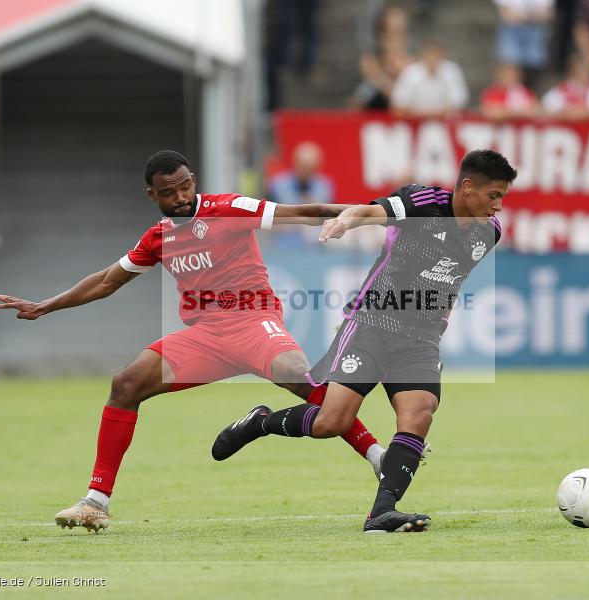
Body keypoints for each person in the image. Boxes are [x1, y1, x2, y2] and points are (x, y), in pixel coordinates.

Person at [0, 151, 386, 532]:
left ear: (193, 180)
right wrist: (46, 305)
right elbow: (107, 280)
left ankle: (376, 455)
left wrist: (380, 214)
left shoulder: (228, 209)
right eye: (168, 192)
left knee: (296, 374)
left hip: (253, 321)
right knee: (126, 384)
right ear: (152, 195)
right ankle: (96, 502)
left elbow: (307, 212)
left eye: (184, 186)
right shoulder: (158, 237)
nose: (179, 197)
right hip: (206, 337)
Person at [212, 150, 518, 533]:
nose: (499, 206)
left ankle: (381, 512)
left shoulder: (487, 234)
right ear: (467, 187)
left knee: (420, 412)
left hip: (420, 339)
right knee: (330, 422)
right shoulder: (424, 202)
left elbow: (453, 281)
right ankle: (259, 423)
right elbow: (371, 212)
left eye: (502, 197)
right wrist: (344, 222)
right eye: (494, 195)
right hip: (372, 322)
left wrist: (442, 319)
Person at [390, 40, 469, 119]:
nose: (432, 58)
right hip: (414, 123)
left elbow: (459, 103)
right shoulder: (410, 72)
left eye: (436, 54)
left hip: (445, 124)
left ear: (442, 55)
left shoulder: (452, 71)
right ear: (422, 55)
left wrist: (425, 114)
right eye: (429, 54)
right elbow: (398, 104)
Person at [267, 142, 334, 206]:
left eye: (310, 168)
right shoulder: (278, 184)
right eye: (303, 166)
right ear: (295, 163)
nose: (306, 172)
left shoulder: (324, 186)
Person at [541, 55, 589, 119]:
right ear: (572, 71)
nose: (584, 73)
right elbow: (546, 109)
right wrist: (566, 114)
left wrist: (577, 113)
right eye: (580, 69)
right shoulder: (560, 90)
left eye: (587, 70)